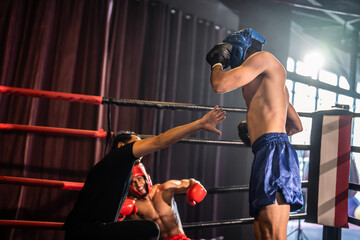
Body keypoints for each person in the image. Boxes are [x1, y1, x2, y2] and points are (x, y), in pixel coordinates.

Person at [63, 106, 226, 240]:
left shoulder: (118, 169)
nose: (142, 147)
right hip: (86, 231)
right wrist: (200, 124)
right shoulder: (119, 157)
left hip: (93, 230)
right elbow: (159, 141)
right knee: (150, 229)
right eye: (137, 143)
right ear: (121, 146)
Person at [206, 28, 304, 240]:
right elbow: (296, 125)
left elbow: (219, 84)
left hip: (274, 153)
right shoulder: (274, 84)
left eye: (230, 50)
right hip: (266, 151)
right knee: (261, 233)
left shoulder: (263, 58)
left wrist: (217, 64)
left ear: (241, 47)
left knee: (273, 234)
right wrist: (258, 134)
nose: (228, 54)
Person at [119, 161, 207, 240]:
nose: (138, 185)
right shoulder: (132, 204)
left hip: (181, 238)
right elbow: (117, 226)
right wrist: (120, 215)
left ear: (146, 178)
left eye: (139, 179)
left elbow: (191, 182)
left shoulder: (164, 189)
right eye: (133, 182)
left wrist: (196, 188)